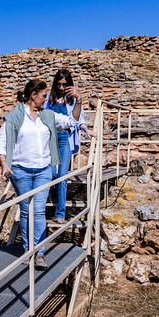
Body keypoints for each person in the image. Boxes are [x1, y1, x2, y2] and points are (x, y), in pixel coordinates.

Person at [0, 79, 78, 269]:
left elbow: (70, 121)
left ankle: (38, 252)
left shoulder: (47, 115)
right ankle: (27, 249)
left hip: (43, 170)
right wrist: (4, 164)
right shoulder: (15, 116)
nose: (46, 99)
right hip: (20, 170)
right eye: (43, 96)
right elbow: (2, 142)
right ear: (33, 95)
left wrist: (77, 102)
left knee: (39, 211)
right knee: (26, 210)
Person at [44, 69, 93, 224]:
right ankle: (53, 193)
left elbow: (80, 119)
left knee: (63, 176)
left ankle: (60, 214)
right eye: (58, 84)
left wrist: (86, 129)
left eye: (64, 84)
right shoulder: (48, 99)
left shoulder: (72, 101)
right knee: (50, 173)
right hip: (50, 138)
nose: (61, 87)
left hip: (65, 137)